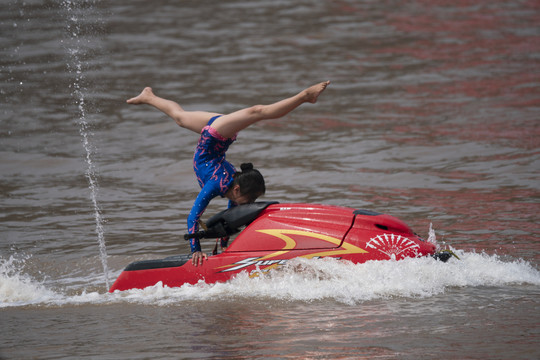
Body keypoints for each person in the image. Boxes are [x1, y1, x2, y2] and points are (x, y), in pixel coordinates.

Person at [126, 81, 330, 266]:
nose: (246, 204)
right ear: (238, 189)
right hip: (216, 134)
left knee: (180, 118)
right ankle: (304, 96)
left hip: (217, 133)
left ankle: (148, 96)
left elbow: (229, 219)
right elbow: (193, 217)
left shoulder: (232, 188)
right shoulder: (216, 185)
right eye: (248, 200)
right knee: (257, 111)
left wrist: (224, 247)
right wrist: (196, 251)